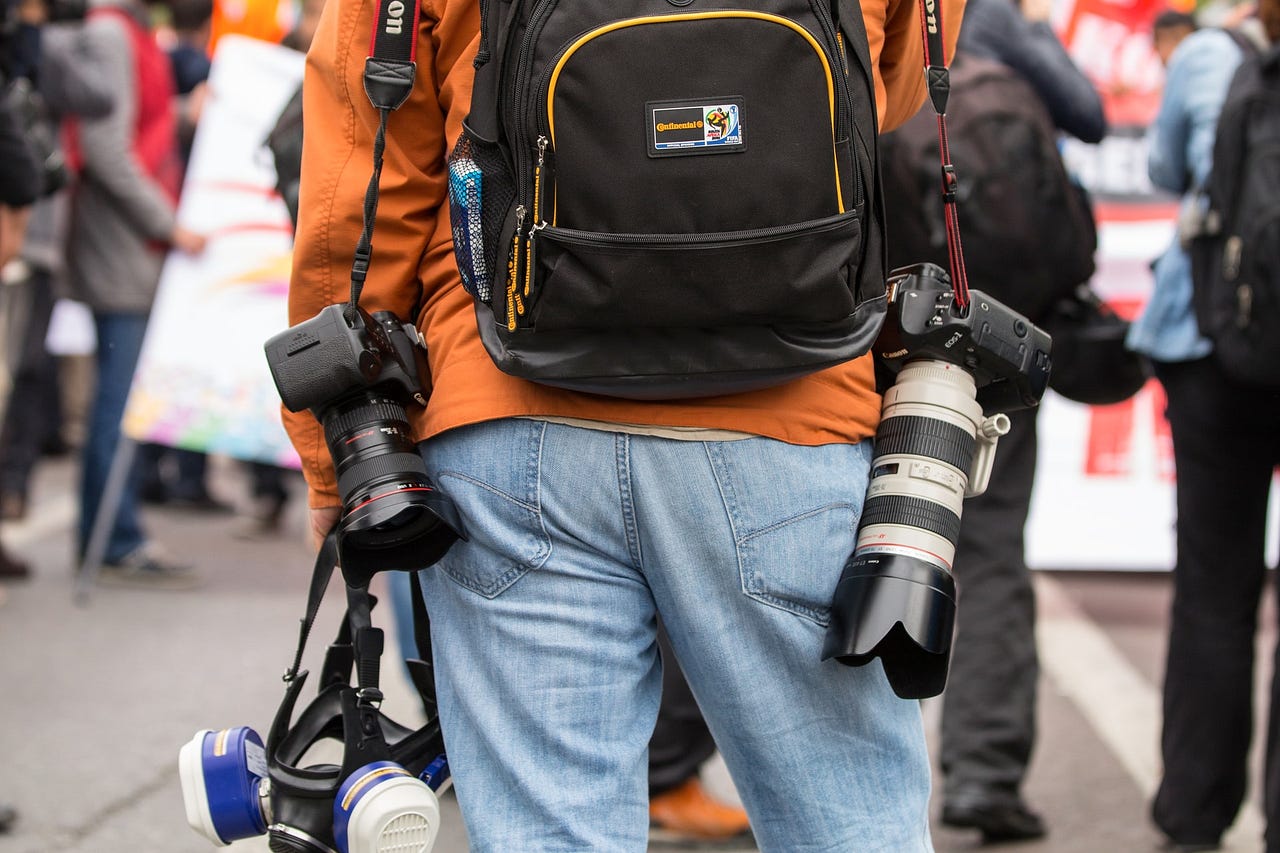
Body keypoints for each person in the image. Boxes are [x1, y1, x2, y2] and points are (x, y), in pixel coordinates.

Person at [284, 1, 965, 850]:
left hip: (509, 400)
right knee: (851, 827)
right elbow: (892, 83)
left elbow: (365, 157)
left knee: (551, 832)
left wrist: (335, 449)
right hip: (791, 400)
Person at [919, 0, 1107, 843]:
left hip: (878, 325)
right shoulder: (1000, 21)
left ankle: (804, 778)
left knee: (831, 539)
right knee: (990, 549)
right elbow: (1089, 114)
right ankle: (983, 773)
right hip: (995, 335)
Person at [1126, 5, 1280, 851]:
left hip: (1211, 340)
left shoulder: (1212, 53)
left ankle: (1193, 812)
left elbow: (1166, 167)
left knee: (1213, 589)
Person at [64, 0, 207, 588]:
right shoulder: (111, 33)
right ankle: (113, 539)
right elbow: (106, 148)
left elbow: (131, 125)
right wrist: (168, 225)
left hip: (130, 245)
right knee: (119, 400)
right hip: (121, 247)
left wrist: (181, 114)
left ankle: (112, 533)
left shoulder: (130, 32)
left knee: (122, 397)